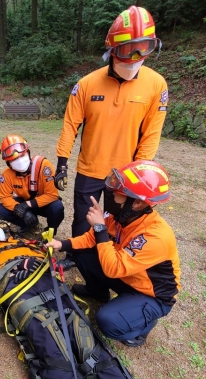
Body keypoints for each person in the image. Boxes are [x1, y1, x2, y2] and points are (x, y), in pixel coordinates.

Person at [0, 220, 206, 379]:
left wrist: (43, 261)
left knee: (86, 338)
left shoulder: (26, 242)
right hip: (17, 288)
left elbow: (49, 256)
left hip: (46, 280)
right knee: (53, 347)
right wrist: (15, 267)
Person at [54, 6, 168, 271]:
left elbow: (152, 134)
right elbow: (70, 125)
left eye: (145, 46)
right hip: (90, 167)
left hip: (124, 174)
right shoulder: (86, 85)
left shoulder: (156, 85)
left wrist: (139, 173)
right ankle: (75, 255)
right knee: (83, 218)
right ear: (112, 50)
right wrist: (62, 163)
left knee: (118, 220)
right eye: (129, 48)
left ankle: (111, 257)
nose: (137, 55)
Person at [48, 160, 179, 348]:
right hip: (128, 276)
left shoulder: (156, 236)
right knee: (80, 252)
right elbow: (90, 239)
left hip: (151, 295)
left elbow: (113, 268)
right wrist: (61, 244)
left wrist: (100, 227)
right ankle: (97, 292)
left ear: (138, 202)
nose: (110, 194)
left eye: (118, 193)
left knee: (107, 321)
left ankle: (145, 323)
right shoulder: (121, 216)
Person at [0, 134, 64, 235]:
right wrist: (20, 210)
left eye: (22, 155)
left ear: (28, 152)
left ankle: (50, 231)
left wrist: (27, 205)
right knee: (0, 211)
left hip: (44, 203)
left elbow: (52, 195)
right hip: (24, 202)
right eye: (13, 159)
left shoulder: (43, 166)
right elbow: (5, 197)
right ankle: (30, 223)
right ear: (8, 163)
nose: (19, 160)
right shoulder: (7, 174)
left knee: (57, 207)